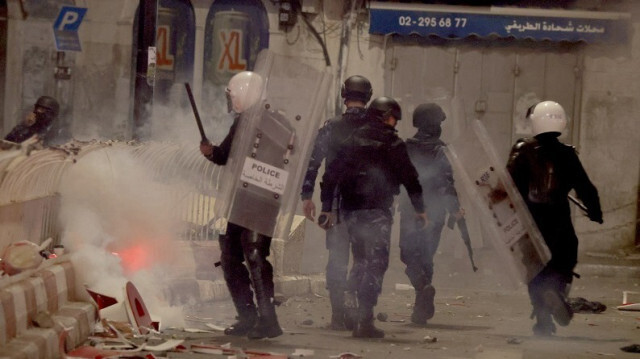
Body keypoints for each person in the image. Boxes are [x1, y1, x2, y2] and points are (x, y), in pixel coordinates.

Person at [318, 96, 429, 338]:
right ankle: (364, 320)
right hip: (377, 211)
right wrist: (420, 208)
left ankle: (350, 297)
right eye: (392, 118)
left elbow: (331, 175)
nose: (394, 124)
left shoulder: (351, 141)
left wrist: (327, 207)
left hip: (351, 212)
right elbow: (410, 177)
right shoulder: (393, 144)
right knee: (376, 263)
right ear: (384, 115)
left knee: (359, 261)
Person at [506, 100, 603, 336]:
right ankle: (556, 292)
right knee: (564, 258)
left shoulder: (521, 150)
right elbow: (585, 187)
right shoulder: (567, 154)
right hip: (559, 220)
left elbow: (507, 186)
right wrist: (595, 210)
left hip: (530, 220)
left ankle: (542, 317)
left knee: (534, 267)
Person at [199, 71, 283, 339]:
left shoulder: (253, 121)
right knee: (233, 254)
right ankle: (250, 317)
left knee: (251, 256)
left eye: (234, 95)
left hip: (255, 200)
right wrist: (212, 152)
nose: (232, 100)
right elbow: (227, 155)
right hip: (252, 200)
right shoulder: (273, 121)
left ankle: (265, 320)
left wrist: (212, 152)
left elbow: (224, 155)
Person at [300, 75, 372, 330]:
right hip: (367, 207)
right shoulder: (377, 127)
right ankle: (354, 299)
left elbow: (312, 161)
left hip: (336, 207)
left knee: (337, 258)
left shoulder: (331, 126)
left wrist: (307, 195)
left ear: (345, 96)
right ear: (368, 96)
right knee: (363, 258)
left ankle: (338, 314)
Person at [398, 103, 464, 325]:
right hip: (435, 212)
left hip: (410, 209)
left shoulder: (405, 147)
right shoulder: (441, 151)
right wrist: (454, 208)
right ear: (434, 125)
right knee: (426, 256)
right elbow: (447, 183)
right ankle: (422, 299)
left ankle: (422, 294)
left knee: (408, 255)